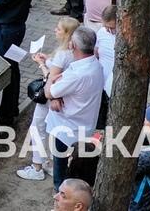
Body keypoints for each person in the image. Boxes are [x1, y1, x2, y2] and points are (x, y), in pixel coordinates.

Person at [17, 16, 81, 182]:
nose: (55, 30)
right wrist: (48, 59)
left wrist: (41, 64)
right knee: (53, 131)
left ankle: (37, 166)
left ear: (67, 33)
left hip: (50, 97)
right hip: (64, 99)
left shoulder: (63, 55)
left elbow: (51, 78)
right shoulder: (75, 53)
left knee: (38, 128)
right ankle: (50, 163)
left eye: (58, 29)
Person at [42, 26, 105, 189]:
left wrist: (50, 79)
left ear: (73, 46)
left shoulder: (77, 74)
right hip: (84, 125)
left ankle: (61, 192)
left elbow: (49, 92)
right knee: (78, 167)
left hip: (66, 129)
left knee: (61, 168)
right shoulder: (96, 65)